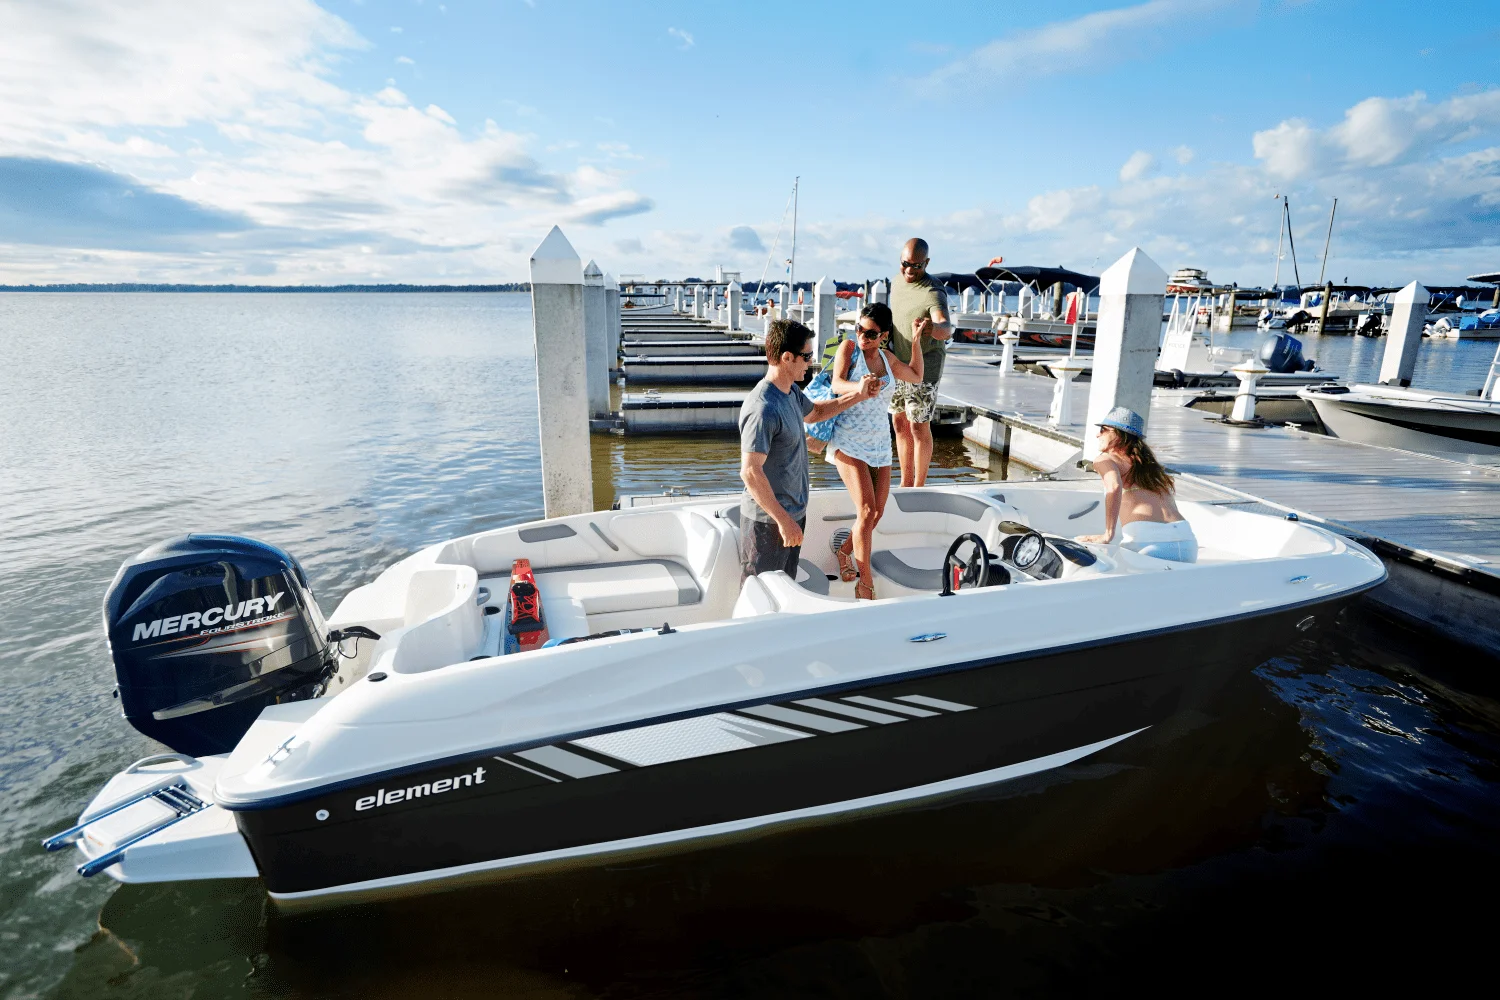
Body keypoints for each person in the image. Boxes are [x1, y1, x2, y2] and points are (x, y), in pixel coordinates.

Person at [739, 319, 874, 584]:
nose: (811, 363)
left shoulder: (790, 392)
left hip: (792, 516)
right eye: (807, 356)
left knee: (786, 590)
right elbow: (750, 472)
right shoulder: (763, 408)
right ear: (787, 357)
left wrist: (860, 394)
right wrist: (783, 521)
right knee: (762, 594)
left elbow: (817, 413)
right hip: (769, 524)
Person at [825, 303, 926, 599]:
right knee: (867, 511)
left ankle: (844, 552)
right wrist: (859, 387)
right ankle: (865, 584)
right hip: (849, 440)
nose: (862, 336)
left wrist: (916, 341)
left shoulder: (887, 358)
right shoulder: (848, 349)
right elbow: (836, 383)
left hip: (880, 443)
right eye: (859, 329)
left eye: (870, 334)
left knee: (877, 514)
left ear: (883, 336)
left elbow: (916, 376)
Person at [1076, 407, 1198, 563]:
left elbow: (1114, 487)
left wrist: (1108, 534)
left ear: (1119, 435)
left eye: (1103, 430)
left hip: (1147, 540)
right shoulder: (1150, 468)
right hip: (1186, 541)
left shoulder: (1105, 459)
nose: (1097, 434)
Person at [888, 238, 953, 488]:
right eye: (905, 263)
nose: (910, 270)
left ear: (927, 263)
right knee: (899, 423)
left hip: (925, 368)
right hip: (898, 365)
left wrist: (932, 328)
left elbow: (945, 327)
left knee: (918, 426)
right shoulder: (896, 282)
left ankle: (919, 486)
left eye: (917, 266)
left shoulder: (933, 291)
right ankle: (905, 483)